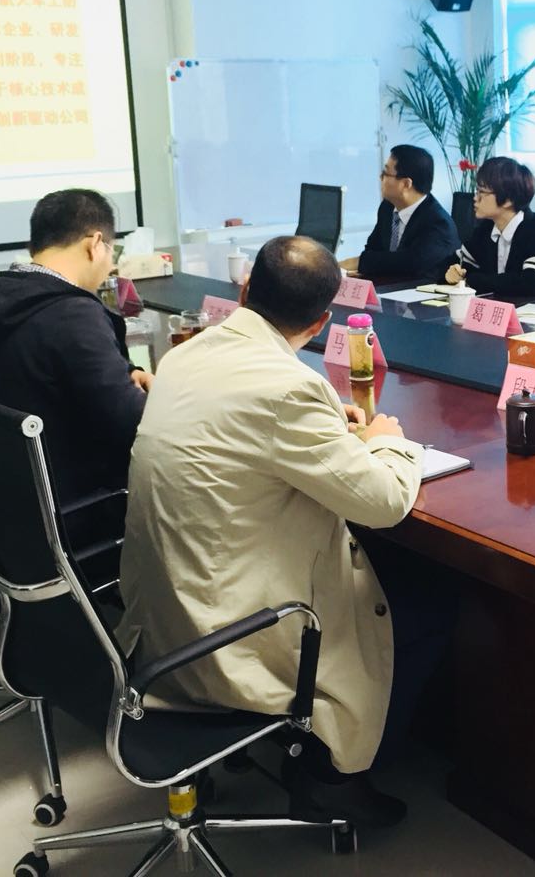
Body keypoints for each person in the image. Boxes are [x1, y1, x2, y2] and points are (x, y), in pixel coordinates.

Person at [119, 236, 448, 828]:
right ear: (322, 323)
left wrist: (328, 424)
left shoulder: (187, 355)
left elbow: (242, 432)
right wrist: (390, 442)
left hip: (164, 614)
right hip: (230, 631)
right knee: (429, 600)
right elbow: (383, 503)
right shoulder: (289, 385)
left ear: (246, 290)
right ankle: (332, 778)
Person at [0, 189, 150, 511]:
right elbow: (133, 422)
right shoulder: (73, 314)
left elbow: (47, 361)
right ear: (95, 244)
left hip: (6, 497)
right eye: (112, 252)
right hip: (76, 501)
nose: (110, 266)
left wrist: (127, 373)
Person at [443, 156, 535, 298]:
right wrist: (451, 273)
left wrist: (473, 279)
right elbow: (453, 264)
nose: (475, 198)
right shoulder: (486, 229)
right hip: (494, 307)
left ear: (508, 200)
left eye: (481, 192)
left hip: (534, 309)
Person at [342, 144, 460, 283]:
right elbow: (373, 249)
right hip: (387, 288)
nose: (380, 177)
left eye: (385, 173)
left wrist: (359, 262)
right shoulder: (387, 207)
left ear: (406, 184)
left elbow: (411, 264)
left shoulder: (438, 224)